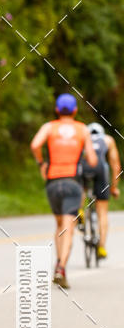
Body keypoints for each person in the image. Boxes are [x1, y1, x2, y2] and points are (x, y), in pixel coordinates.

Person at [30, 92, 97, 289]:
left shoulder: (49, 127)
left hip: (52, 182)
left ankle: (58, 263)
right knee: (69, 226)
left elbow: (35, 145)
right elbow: (92, 160)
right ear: (75, 111)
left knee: (59, 225)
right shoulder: (82, 130)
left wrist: (41, 162)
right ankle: (61, 267)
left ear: (57, 110)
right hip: (73, 183)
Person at [81, 122, 121, 259]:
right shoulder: (108, 140)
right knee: (102, 212)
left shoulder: (81, 136)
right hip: (100, 170)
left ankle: (79, 211)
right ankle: (102, 247)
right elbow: (115, 166)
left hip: (84, 167)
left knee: (81, 188)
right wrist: (114, 188)